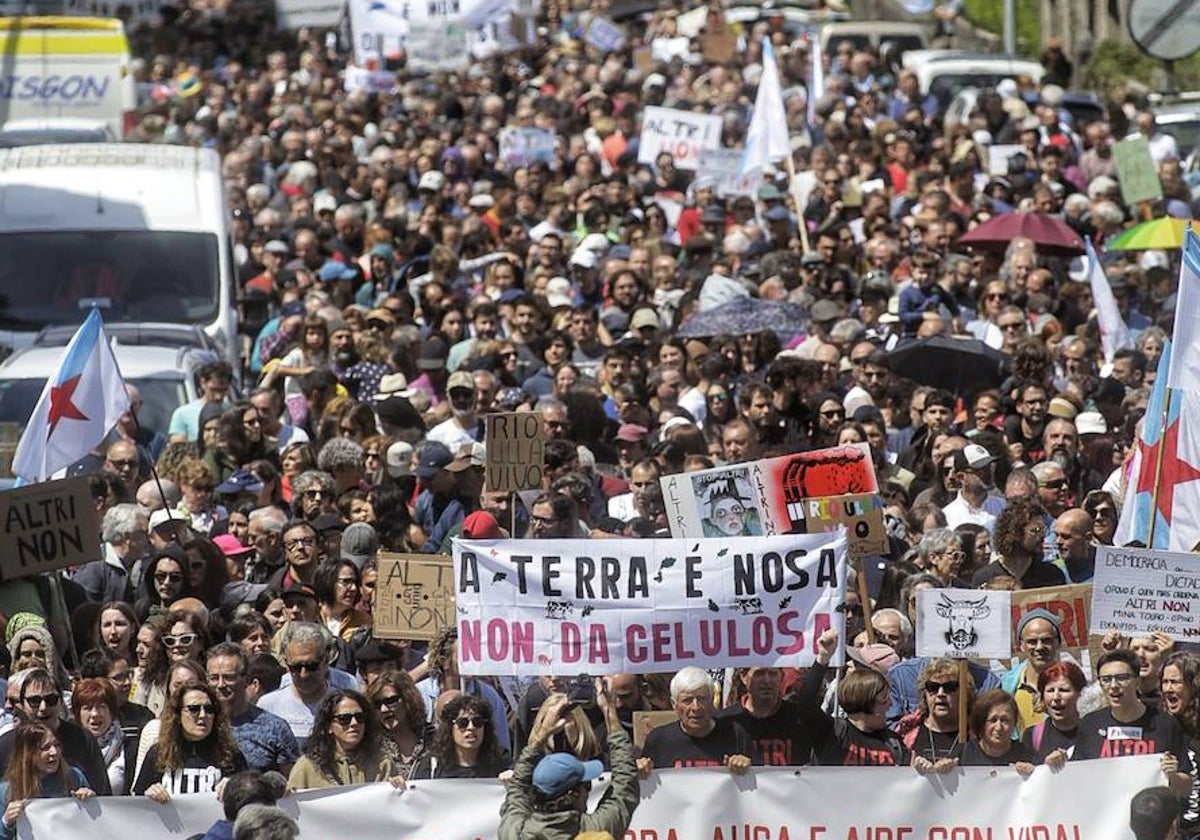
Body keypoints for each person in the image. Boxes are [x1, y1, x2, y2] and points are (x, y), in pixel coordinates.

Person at [499, 687, 639, 840]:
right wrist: (609, 710)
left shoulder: (516, 832)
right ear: (574, 795)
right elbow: (625, 785)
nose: (587, 790)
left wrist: (541, 735)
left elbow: (518, 788)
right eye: (584, 785)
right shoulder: (593, 832)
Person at [1073, 650, 1192, 796]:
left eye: (1122, 678)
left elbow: (1186, 788)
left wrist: (1172, 775)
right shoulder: (1090, 724)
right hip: (1105, 815)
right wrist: (1055, 763)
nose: (1114, 685)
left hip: (1149, 815)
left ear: (1137, 680)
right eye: (1106, 679)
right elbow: (1075, 778)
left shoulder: (1165, 724)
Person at [802, 630, 909, 766]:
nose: (890, 704)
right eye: (884, 698)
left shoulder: (894, 744)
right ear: (867, 700)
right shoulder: (832, 733)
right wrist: (823, 659)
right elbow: (805, 704)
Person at [132, 679, 248, 800]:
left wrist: (236, 789)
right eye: (194, 709)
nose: (203, 715)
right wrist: (149, 794)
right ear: (177, 715)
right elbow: (138, 801)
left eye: (209, 709)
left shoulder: (230, 755)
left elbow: (250, 800)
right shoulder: (158, 753)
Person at [638, 667, 756, 773]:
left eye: (702, 699)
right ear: (674, 704)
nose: (696, 707)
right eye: (687, 700)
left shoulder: (735, 734)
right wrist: (641, 770)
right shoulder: (659, 740)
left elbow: (758, 781)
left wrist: (747, 766)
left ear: (712, 701)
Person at [207, 644, 300, 776]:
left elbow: (292, 784)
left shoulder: (275, 728)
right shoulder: (200, 725)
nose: (221, 684)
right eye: (214, 678)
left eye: (229, 677)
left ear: (246, 679)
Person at [286, 689, 406, 789]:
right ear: (329, 726)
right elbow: (291, 810)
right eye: (344, 719)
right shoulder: (307, 766)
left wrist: (398, 788)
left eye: (360, 717)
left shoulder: (382, 764)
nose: (354, 723)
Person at [0, 724, 96, 840]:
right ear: (27, 753)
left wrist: (90, 801)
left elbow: (94, 826)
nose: (54, 752)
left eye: (57, 745)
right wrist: (6, 823)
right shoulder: (7, 791)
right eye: (45, 748)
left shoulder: (74, 777)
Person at [257, 623, 336, 748]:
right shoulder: (268, 705)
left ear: (326, 662)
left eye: (311, 666)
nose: (303, 675)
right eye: (296, 667)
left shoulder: (342, 703)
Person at [408, 693, 510, 779]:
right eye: (463, 723)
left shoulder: (501, 761)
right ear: (450, 728)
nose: (471, 727)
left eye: (477, 722)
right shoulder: (432, 765)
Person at [956, 689, 1039, 773]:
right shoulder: (962, 754)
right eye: (993, 720)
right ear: (981, 722)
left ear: (1014, 723)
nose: (999, 727)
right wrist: (945, 768)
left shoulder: (1027, 756)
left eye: (1005, 720)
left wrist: (1034, 773)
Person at [1021, 661, 1086, 764]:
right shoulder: (1032, 735)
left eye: (1064, 690)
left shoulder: (1093, 732)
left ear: (1079, 693)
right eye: (1050, 690)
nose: (1056, 697)